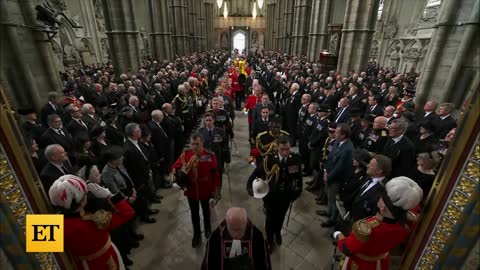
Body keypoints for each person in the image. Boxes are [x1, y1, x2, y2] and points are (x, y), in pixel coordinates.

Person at [334, 176, 423, 270]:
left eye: (381, 197)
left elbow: (346, 248)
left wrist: (338, 235)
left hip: (360, 264)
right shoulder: (406, 225)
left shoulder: (369, 228)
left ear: (383, 207)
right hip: (380, 263)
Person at [48, 174, 135, 270]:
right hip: (105, 262)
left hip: (78, 265)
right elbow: (128, 212)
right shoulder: (95, 221)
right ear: (83, 200)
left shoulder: (54, 224)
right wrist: (109, 195)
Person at [247, 135, 302, 252]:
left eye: (287, 149)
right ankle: (270, 238)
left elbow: (298, 177)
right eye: (282, 149)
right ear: (277, 147)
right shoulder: (269, 159)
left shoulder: (295, 159)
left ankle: (278, 232)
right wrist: (249, 186)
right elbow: (257, 172)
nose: (285, 152)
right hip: (271, 195)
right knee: (270, 218)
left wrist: (297, 192)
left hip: (286, 195)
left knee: (281, 216)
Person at [171, 133, 221, 247]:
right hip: (191, 190)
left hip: (205, 188)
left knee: (206, 211)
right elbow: (175, 166)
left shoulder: (209, 155)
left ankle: (207, 228)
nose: (194, 146)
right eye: (192, 144)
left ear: (202, 143)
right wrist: (175, 179)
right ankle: (197, 234)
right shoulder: (186, 154)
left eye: (197, 144)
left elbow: (215, 174)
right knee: (194, 214)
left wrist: (215, 192)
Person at [201, 207, 272, 270]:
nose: (236, 234)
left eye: (239, 229)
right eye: (232, 229)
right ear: (226, 223)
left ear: (246, 223)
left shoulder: (257, 236)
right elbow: (209, 264)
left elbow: (264, 264)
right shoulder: (215, 238)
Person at [318, 123, 354, 227]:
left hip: (335, 179)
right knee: (329, 196)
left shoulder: (347, 149)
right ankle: (328, 212)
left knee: (333, 200)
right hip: (329, 174)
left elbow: (339, 168)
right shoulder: (338, 142)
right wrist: (325, 170)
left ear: (343, 135)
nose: (334, 134)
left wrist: (328, 178)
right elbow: (330, 157)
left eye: (336, 133)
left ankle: (332, 219)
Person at [198, 113, 231, 189]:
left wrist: (228, 161)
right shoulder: (200, 132)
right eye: (206, 120)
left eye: (210, 120)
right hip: (204, 159)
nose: (208, 122)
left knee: (218, 178)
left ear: (214, 120)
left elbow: (225, 147)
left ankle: (217, 192)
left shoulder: (221, 131)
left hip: (218, 159)